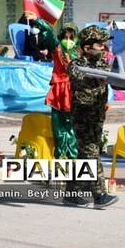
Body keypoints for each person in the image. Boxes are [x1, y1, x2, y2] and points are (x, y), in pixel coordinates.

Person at [65, 25, 118, 208]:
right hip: (83, 117)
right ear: (87, 48)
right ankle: (100, 195)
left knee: (84, 155)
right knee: (91, 154)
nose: (104, 48)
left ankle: (71, 193)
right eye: (99, 44)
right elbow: (79, 75)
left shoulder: (102, 64)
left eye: (104, 44)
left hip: (97, 117)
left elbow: (110, 79)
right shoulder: (76, 65)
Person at [45, 23, 79, 159]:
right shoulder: (57, 48)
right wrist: (38, 21)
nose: (68, 39)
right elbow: (48, 35)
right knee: (57, 124)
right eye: (65, 35)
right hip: (59, 88)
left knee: (72, 124)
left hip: (73, 88)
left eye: (71, 36)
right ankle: (60, 153)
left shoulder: (79, 51)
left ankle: (73, 155)